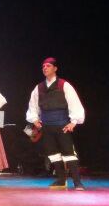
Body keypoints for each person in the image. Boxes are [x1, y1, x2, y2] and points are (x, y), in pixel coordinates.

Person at [26, 57, 86, 190]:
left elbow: (74, 103)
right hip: (46, 126)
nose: (45, 68)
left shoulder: (64, 85)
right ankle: (61, 179)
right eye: (43, 66)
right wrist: (34, 119)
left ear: (55, 68)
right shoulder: (39, 87)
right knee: (52, 153)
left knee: (68, 153)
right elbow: (33, 105)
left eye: (48, 66)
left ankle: (77, 182)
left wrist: (73, 122)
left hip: (62, 124)